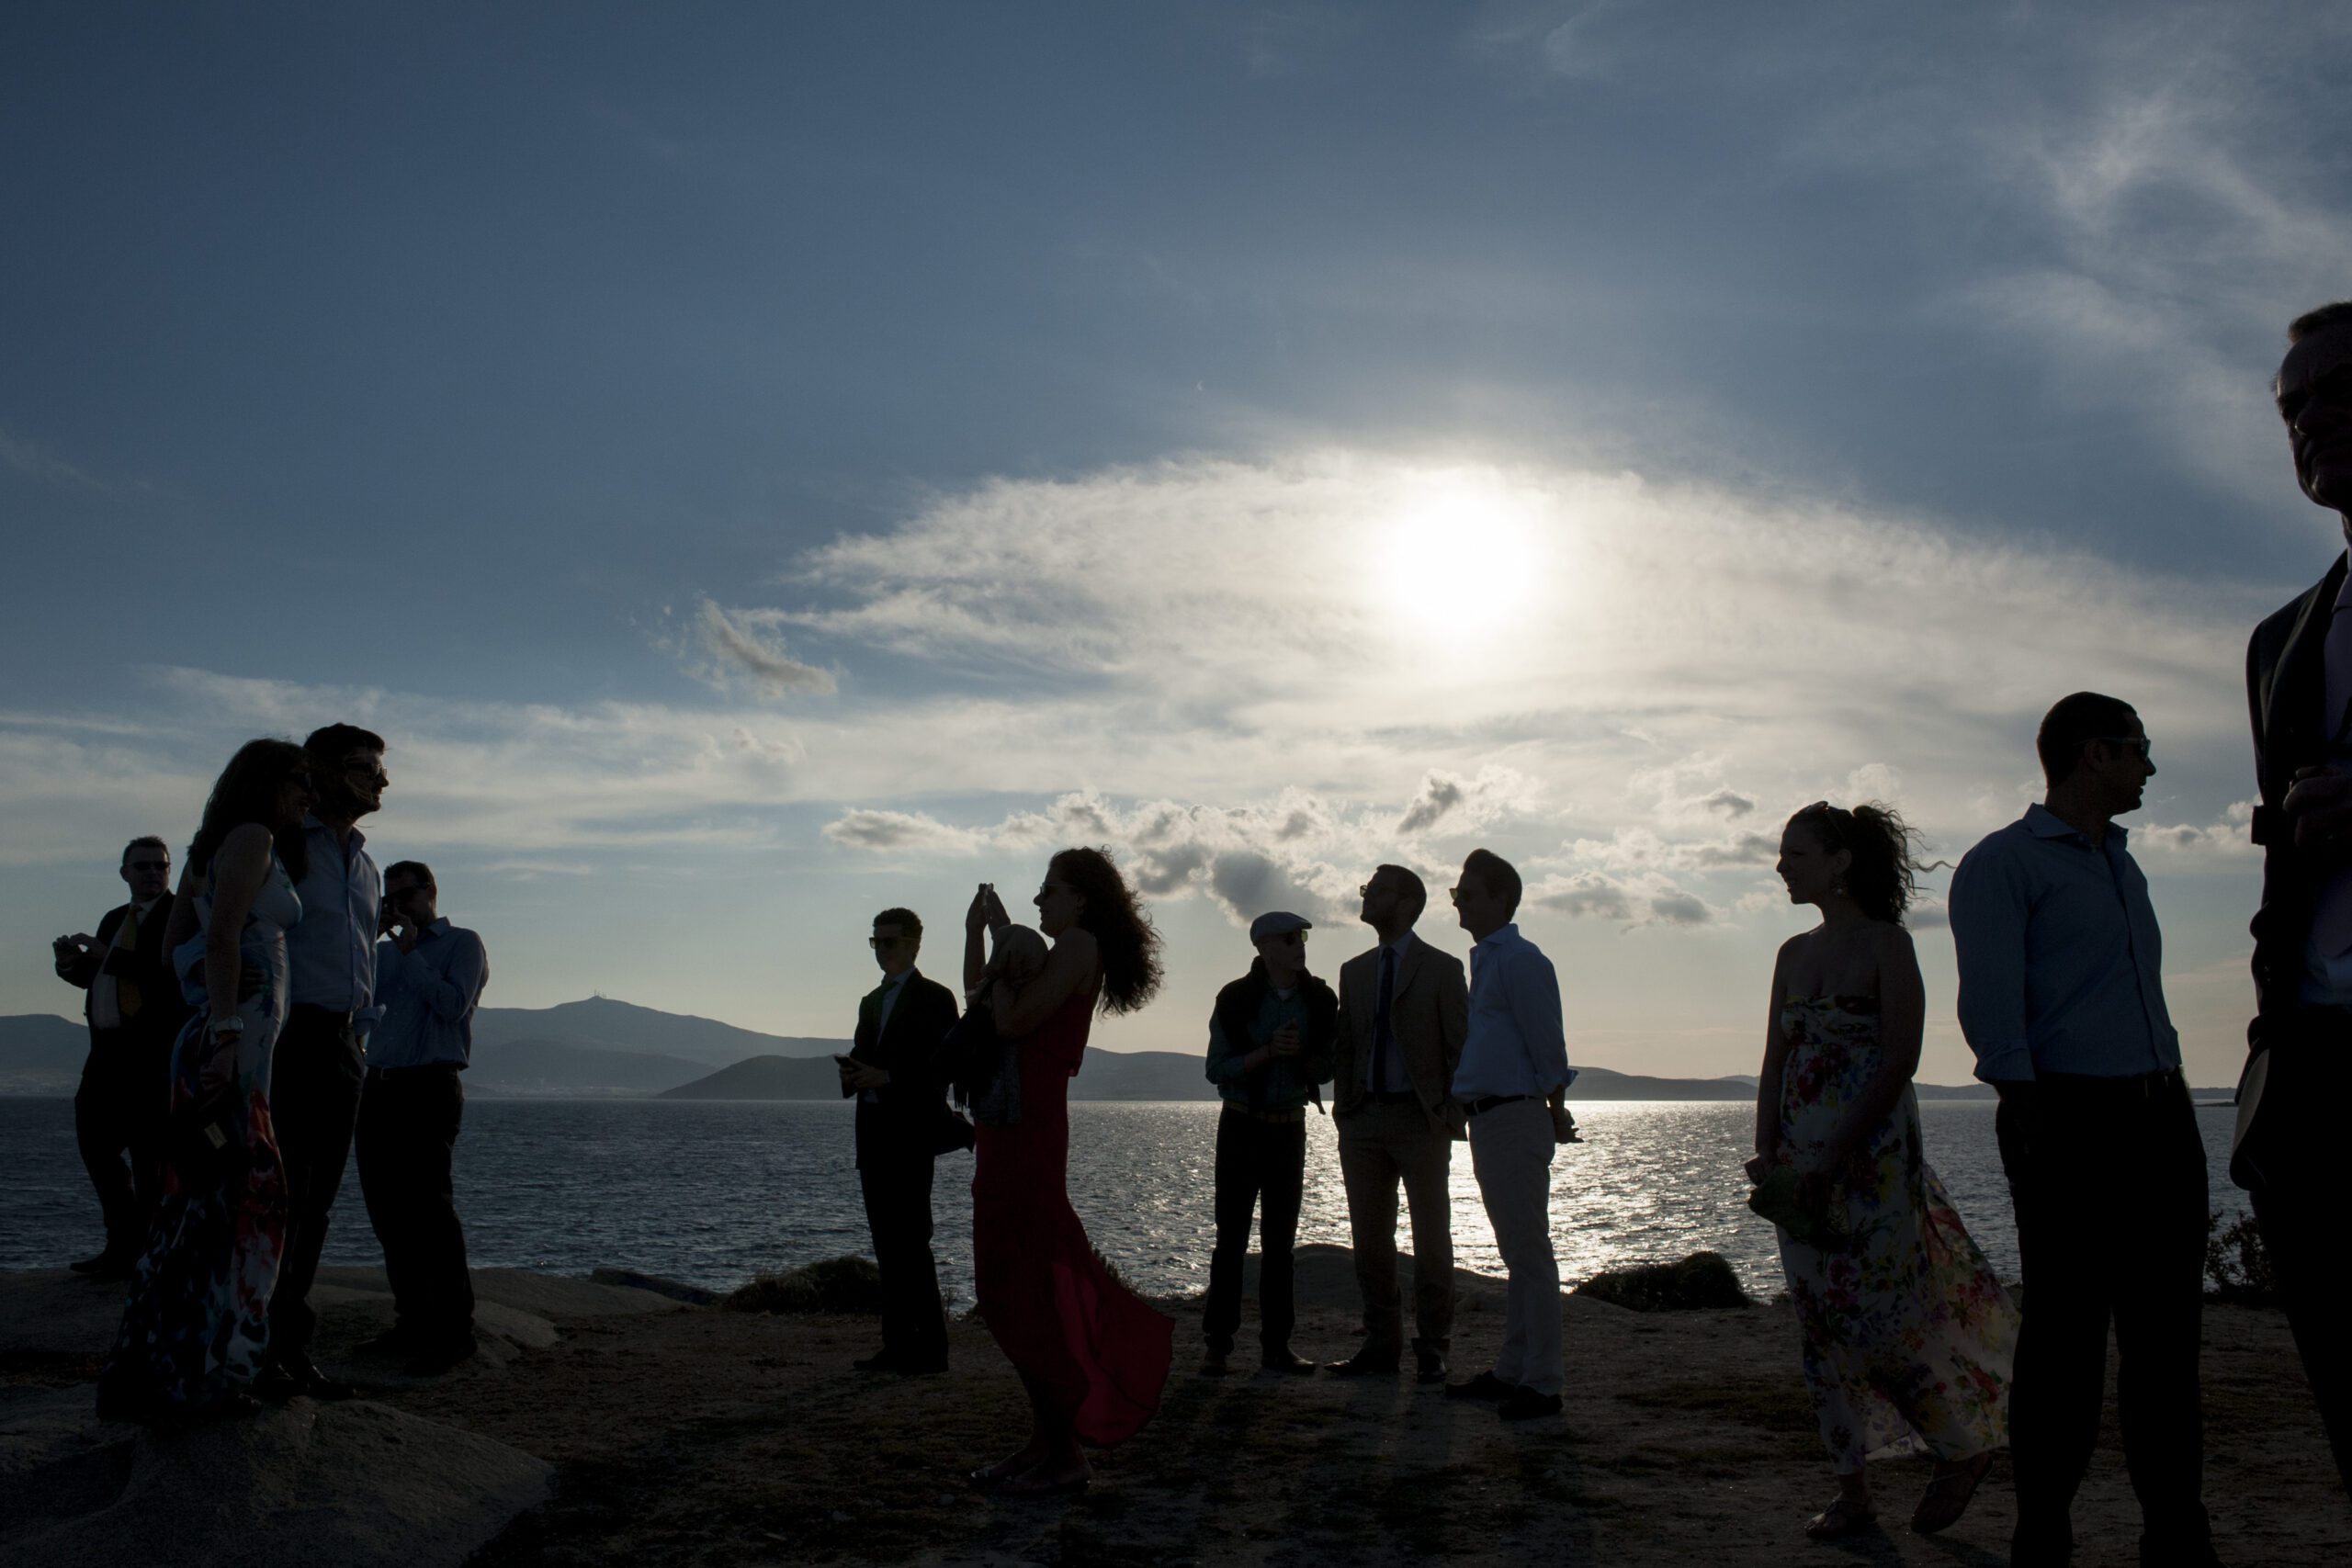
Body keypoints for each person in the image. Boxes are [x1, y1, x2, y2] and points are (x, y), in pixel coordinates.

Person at [1950, 694, 2219, 1568]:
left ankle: (2176, 1534)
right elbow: (1994, 1016)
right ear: (2093, 753)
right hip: (2069, 1116)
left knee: (2167, 1340)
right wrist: (2039, 1132)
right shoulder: (2004, 863)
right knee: (2065, 1338)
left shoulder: (2122, 863)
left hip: (2160, 1112)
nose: (2148, 766)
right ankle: (2043, 1532)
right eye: (2138, 749)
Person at [1753, 801, 2016, 1540]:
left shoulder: (1888, 945)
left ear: (1840, 862)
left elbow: (1901, 1058)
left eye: (1795, 852)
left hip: (1870, 1160)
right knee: (1819, 1322)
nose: (1781, 866)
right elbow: (1775, 1057)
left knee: (1882, 1319)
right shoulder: (1790, 953)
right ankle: (1854, 1492)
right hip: (1799, 1162)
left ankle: (1960, 1449)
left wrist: (1832, 1156)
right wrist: (1768, 1146)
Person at [95, 740, 311, 1422]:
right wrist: (225, 1025)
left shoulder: (207, 849)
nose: (309, 792)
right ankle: (206, 1377)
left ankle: (171, 1370)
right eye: (300, 780)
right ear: (269, 783)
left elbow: (173, 949)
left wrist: (215, 985)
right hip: (231, 1047)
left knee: (199, 1207)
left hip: (225, 1037)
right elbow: (215, 936)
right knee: (237, 1204)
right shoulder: (251, 836)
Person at [963, 850, 1174, 1495]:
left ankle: (1064, 1450)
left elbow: (1011, 1019)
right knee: (1008, 1284)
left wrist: (1003, 955)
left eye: (1048, 891)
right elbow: (981, 997)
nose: (1038, 903)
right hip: (1007, 1126)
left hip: (1031, 1132)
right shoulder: (1057, 953)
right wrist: (981, 934)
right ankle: (1046, 1439)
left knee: (1023, 1284)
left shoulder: (1079, 946)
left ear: (1081, 900)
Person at [2239, 299, 2352, 1499]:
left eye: (2341, 387)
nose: (2313, 418)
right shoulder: (2282, 641)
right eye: (2292, 405)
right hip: (2320, 1088)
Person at [262, 721, 387, 1401]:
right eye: (366, 766)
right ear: (325, 770)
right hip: (289, 1040)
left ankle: (288, 1345)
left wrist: (360, 1033)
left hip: (341, 1045)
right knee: (280, 1198)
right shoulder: (283, 849)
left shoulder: (365, 864)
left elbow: (363, 956)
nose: (381, 779)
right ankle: (257, 1345)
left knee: (317, 1207)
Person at [1443, 848, 1572, 1422]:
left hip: (1513, 1115)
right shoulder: (1489, 961)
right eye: (1458, 894)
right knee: (1518, 1252)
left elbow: (1547, 1044)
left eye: (1467, 894)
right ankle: (1515, 1369)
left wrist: (1555, 1107)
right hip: (1491, 1117)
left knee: (1529, 1253)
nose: (1458, 902)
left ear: (1501, 899)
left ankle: (1543, 1382)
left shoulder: (1520, 960)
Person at [1327, 864, 1466, 1383]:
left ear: (1406, 903)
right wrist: (1345, 1109)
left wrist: (1448, 1114)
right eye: (1367, 888)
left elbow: (1459, 1045)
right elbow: (1345, 1047)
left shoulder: (1442, 968)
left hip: (1420, 1120)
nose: (1366, 895)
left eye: (1377, 890)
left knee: (1432, 1238)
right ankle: (1381, 1344)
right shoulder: (1354, 970)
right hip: (1363, 1120)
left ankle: (1433, 1345)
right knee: (1369, 1239)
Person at [354, 860, 489, 1376]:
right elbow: (360, 998)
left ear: (430, 892)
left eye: (406, 896)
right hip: (381, 1085)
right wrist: (372, 931)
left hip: (430, 1085)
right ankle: (411, 1321)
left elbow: (453, 1005)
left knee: (430, 1211)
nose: (400, 906)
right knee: (387, 1211)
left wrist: (411, 954)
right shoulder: (383, 953)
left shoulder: (463, 944)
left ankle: (455, 1332)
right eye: (391, 899)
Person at [1201, 910, 1338, 1377]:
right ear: (1263, 946)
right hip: (1241, 1126)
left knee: (1281, 1244)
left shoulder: (1320, 999)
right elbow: (1216, 1069)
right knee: (1230, 1240)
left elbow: (1327, 1069)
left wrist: (1301, 1058)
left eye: (1300, 937)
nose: (1299, 944)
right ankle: (1217, 1347)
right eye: (1288, 938)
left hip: (1288, 1128)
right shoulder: (1236, 998)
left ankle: (1276, 1348)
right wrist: (1265, 1054)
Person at [52, 835, 190, 1277]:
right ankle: (124, 1243)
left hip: (153, 1057)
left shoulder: (179, 918)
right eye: (143, 866)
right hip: (106, 1055)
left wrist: (107, 954)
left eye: (160, 866)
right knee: (95, 1144)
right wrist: (72, 967)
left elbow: (168, 978)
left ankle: (146, 1251)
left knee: (151, 1160)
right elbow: (106, 980)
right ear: (124, 873)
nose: (153, 873)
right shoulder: (116, 918)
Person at [836, 906, 962, 1375]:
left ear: (913, 944)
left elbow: (942, 1068)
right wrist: (855, 1073)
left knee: (911, 1241)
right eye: (876, 942)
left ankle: (931, 1349)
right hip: (873, 1138)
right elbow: (865, 1057)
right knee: (887, 1245)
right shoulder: (870, 1001)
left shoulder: (935, 998)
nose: (881, 950)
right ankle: (897, 1345)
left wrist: (886, 1077)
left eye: (889, 941)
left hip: (909, 1136)